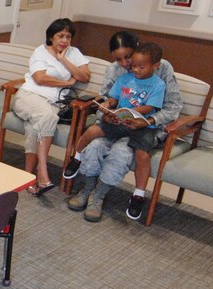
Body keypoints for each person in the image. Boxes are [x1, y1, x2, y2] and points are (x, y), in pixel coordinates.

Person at [65, 31, 183, 222]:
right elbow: (106, 98)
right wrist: (106, 113)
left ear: (137, 46)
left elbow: (173, 107)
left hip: (144, 127)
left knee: (120, 152)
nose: (126, 64)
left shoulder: (161, 69)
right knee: (94, 145)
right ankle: (86, 190)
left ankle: (98, 196)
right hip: (117, 122)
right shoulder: (115, 71)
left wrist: (148, 120)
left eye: (129, 57)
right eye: (119, 59)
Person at [11, 18, 90, 196]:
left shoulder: (73, 53)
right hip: (28, 97)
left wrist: (64, 61)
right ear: (51, 37)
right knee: (49, 117)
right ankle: (42, 172)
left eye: (68, 37)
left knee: (35, 127)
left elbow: (84, 76)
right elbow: (39, 78)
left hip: (51, 103)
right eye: (60, 36)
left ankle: (26, 176)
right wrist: (66, 82)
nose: (64, 40)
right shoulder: (40, 52)